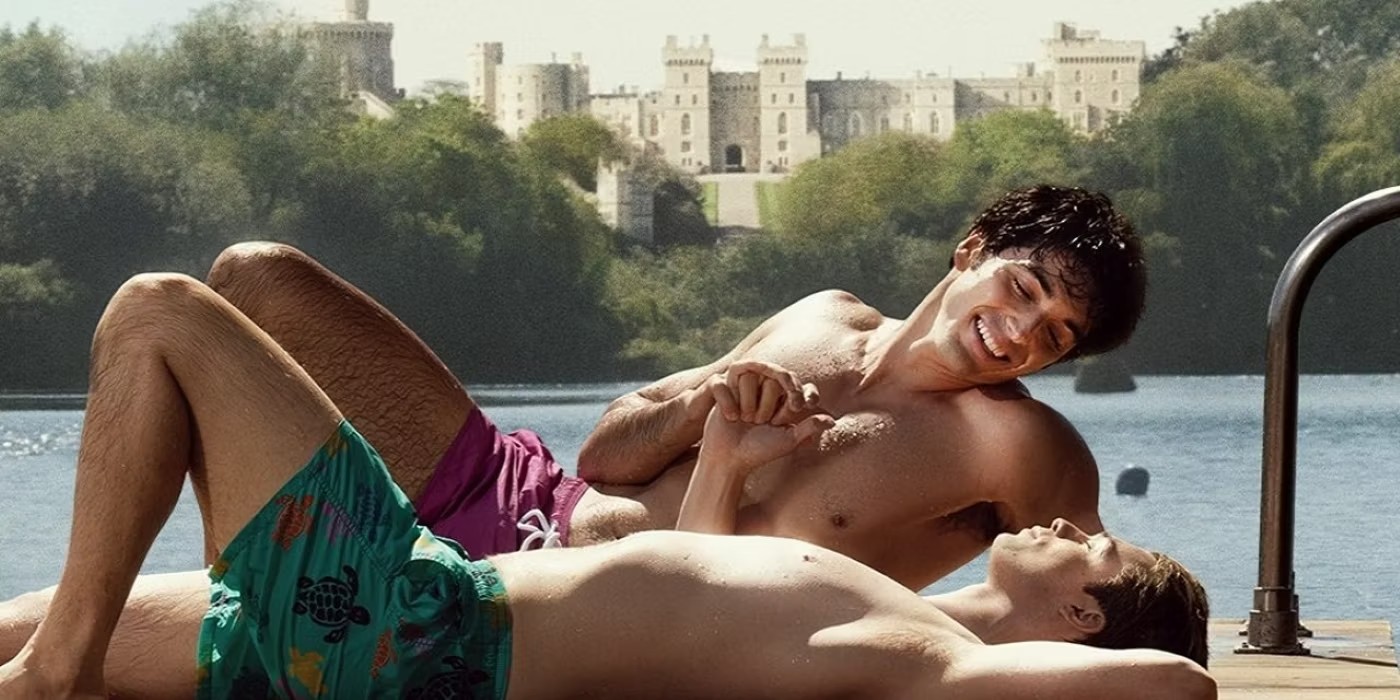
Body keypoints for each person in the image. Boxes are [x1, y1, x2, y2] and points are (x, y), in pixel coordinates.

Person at [0, 272, 1210, 698]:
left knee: (159, 313)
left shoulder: (931, 666)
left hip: (423, 633)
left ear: (1081, 621)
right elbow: (675, 599)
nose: (1070, 526)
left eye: (1094, 553)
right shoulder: (877, 621)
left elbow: (1183, 682)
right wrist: (724, 460)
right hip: (420, 612)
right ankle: (54, 667)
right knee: (36, 625)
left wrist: (1124, 637)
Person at [187, 183, 1146, 591]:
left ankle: (250, 632)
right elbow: (605, 452)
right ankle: (246, 616)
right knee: (250, 279)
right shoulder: (823, 314)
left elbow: (1106, 607)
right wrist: (704, 403)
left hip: (593, 613)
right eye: (1021, 289)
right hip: (514, 497)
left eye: (1057, 335)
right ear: (974, 251)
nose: (1021, 333)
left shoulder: (1016, 446)